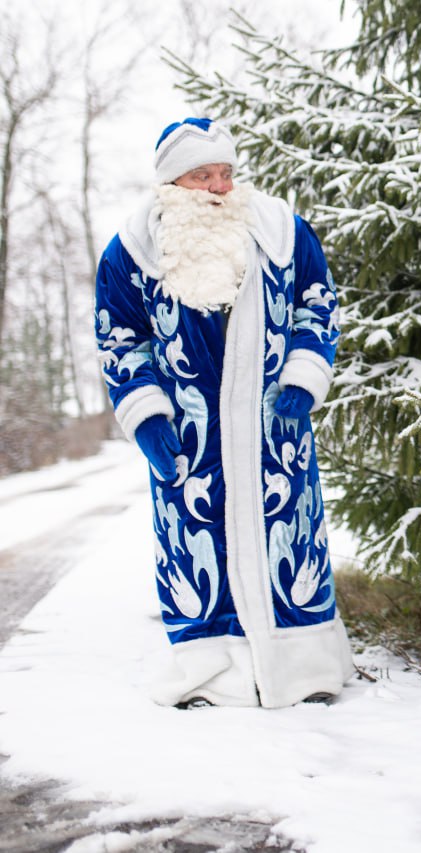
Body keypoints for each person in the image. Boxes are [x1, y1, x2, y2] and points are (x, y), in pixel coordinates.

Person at [94, 118, 354, 708]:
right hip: (189, 436)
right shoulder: (130, 251)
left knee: (290, 543)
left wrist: (303, 376)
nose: (219, 186)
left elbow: (318, 304)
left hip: (274, 431)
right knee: (196, 551)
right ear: (172, 182)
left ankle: (306, 670)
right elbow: (120, 338)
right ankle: (209, 674)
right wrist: (146, 416)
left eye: (226, 173)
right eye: (202, 175)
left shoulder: (282, 232)